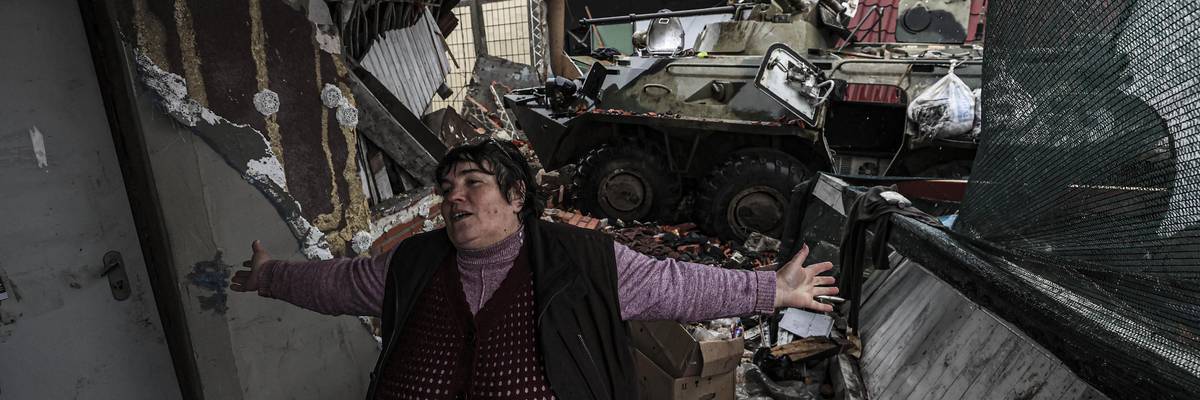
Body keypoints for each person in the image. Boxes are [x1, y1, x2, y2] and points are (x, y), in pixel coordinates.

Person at [230, 138, 837, 400]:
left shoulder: (580, 259)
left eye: (473, 182)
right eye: (447, 187)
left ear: (517, 196)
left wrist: (772, 289)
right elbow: (340, 284)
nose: (454, 197)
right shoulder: (415, 261)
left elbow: (675, 285)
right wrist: (270, 276)